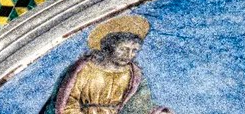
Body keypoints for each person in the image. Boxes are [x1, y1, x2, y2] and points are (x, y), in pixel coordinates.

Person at [41, 15, 173, 114]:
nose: (129, 55)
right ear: (109, 46)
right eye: (123, 49)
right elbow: (67, 103)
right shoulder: (84, 69)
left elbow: (139, 106)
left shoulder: (134, 74)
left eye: (134, 51)